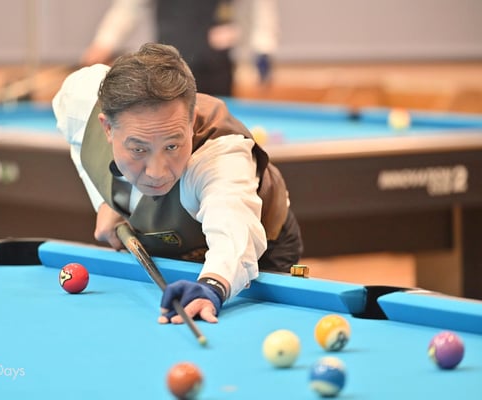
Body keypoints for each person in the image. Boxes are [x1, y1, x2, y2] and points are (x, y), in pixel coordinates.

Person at [53, 43, 302, 325]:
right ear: (107, 128)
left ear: (191, 122)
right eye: (138, 149)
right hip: (167, 238)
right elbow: (75, 134)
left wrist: (213, 285)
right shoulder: (80, 102)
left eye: (172, 146)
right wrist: (102, 201)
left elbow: (233, 227)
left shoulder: (220, 157)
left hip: (260, 248)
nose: (157, 172)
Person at [81, 0, 279, 96]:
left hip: (215, 68)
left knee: (217, 130)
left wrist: (263, 50)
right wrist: (103, 43)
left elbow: (260, 8)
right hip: (167, 68)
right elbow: (129, 8)